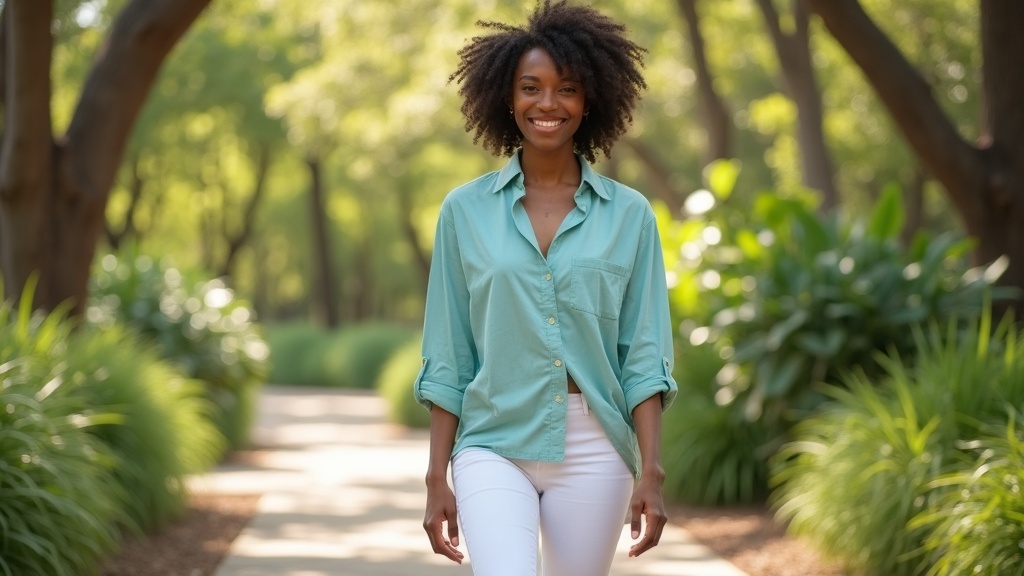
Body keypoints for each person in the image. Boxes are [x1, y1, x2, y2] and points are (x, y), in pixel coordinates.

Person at [414, 2, 678, 574]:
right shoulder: (464, 211)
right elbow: (449, 353)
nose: (548, 104)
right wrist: (437, 474)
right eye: (530, 87)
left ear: (591, 101)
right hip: (492, 439)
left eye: (568, 89)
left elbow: (644, 355)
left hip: (596, 446)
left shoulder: (630, 216)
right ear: (507, 99)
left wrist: (651, 472)